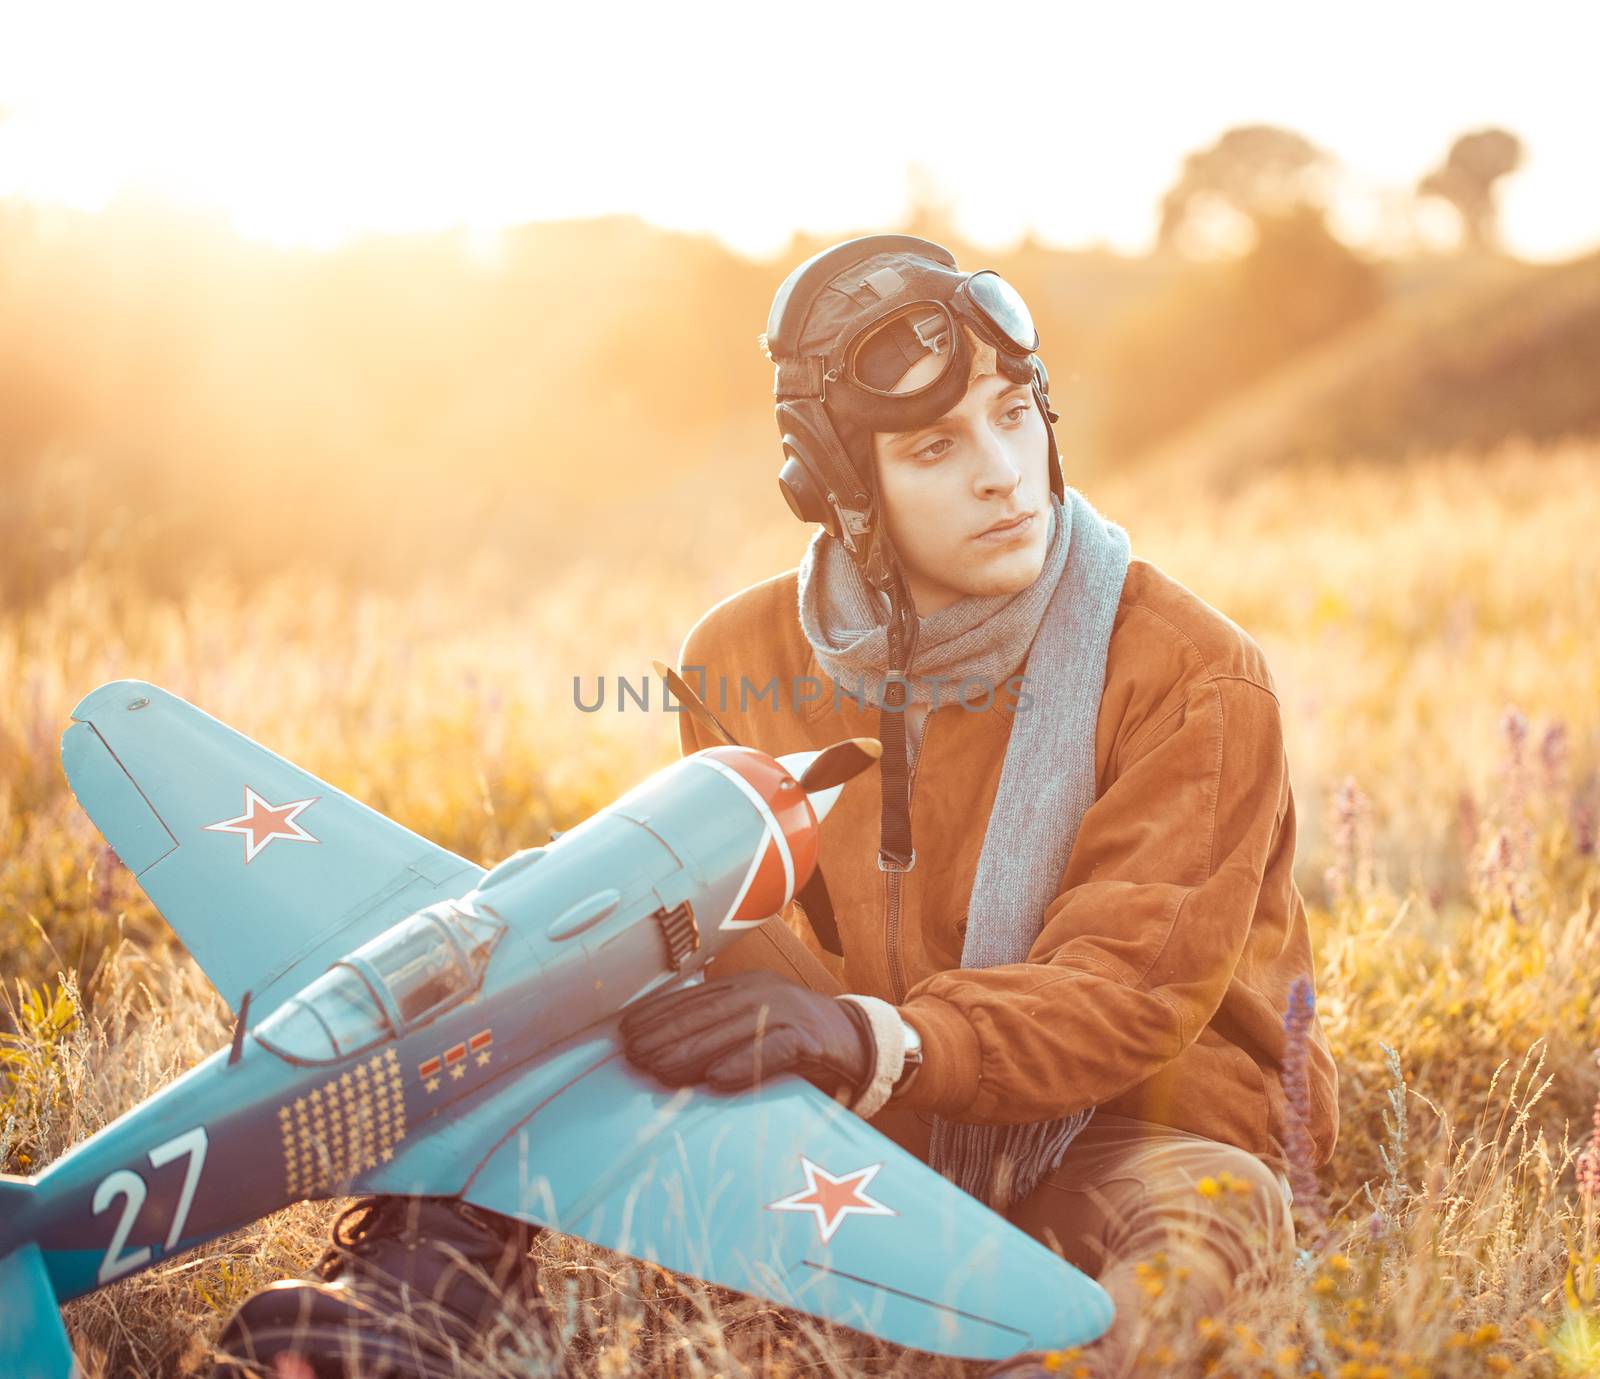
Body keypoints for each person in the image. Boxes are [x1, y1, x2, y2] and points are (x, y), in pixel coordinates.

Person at [616, 233, 1339, 1378]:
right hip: (867, 1129)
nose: (1002, 470)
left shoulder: (1193, 672)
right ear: (843, 489)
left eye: (1014, 411)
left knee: (1208, 1217)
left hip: (1133, 1125)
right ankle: (408, 1295)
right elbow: (726, 939)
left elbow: (1125, 990)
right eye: (934, 446)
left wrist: (874, 1035)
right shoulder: (736, 658)